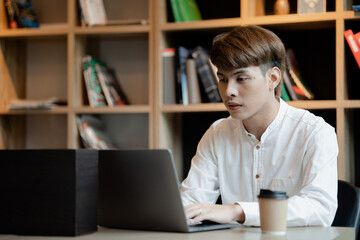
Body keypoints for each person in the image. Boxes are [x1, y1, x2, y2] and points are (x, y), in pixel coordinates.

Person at [181, 25, 338, 227]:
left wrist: (238, 211)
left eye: (241, 79)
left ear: (272, 78)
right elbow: (191, 204)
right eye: (222, 79)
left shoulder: (314, 132)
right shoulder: (217, 133)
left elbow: (320, 209)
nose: (229, 91)